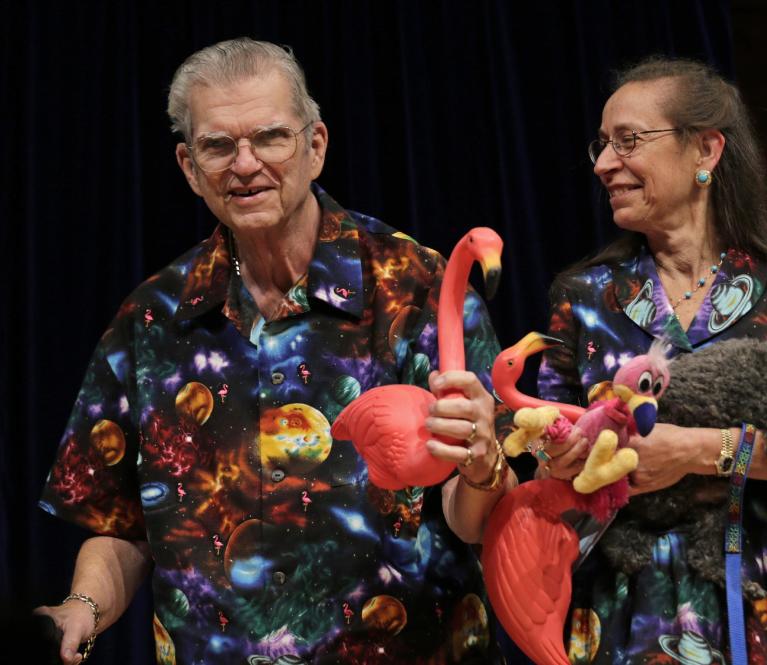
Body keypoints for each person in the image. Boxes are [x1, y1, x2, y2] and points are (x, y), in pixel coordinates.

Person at [32, 37, 510, 665]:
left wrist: (483, 464)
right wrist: (83, 607)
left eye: (271, 137)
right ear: (188, 166)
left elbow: (474, 514)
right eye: (218, 145)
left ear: (315, 147)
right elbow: (121, 525)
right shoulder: (150, 319)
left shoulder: (415, 286)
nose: (245, 163)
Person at [528, 56, 767, 663]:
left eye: (628, 140)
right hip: (624, 603)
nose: (606, 163)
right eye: (602, 145)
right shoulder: (583, 300)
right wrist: (556, 456)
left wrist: (694, 451)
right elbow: (546, 472)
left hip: (766, 597)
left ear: (706, 151)